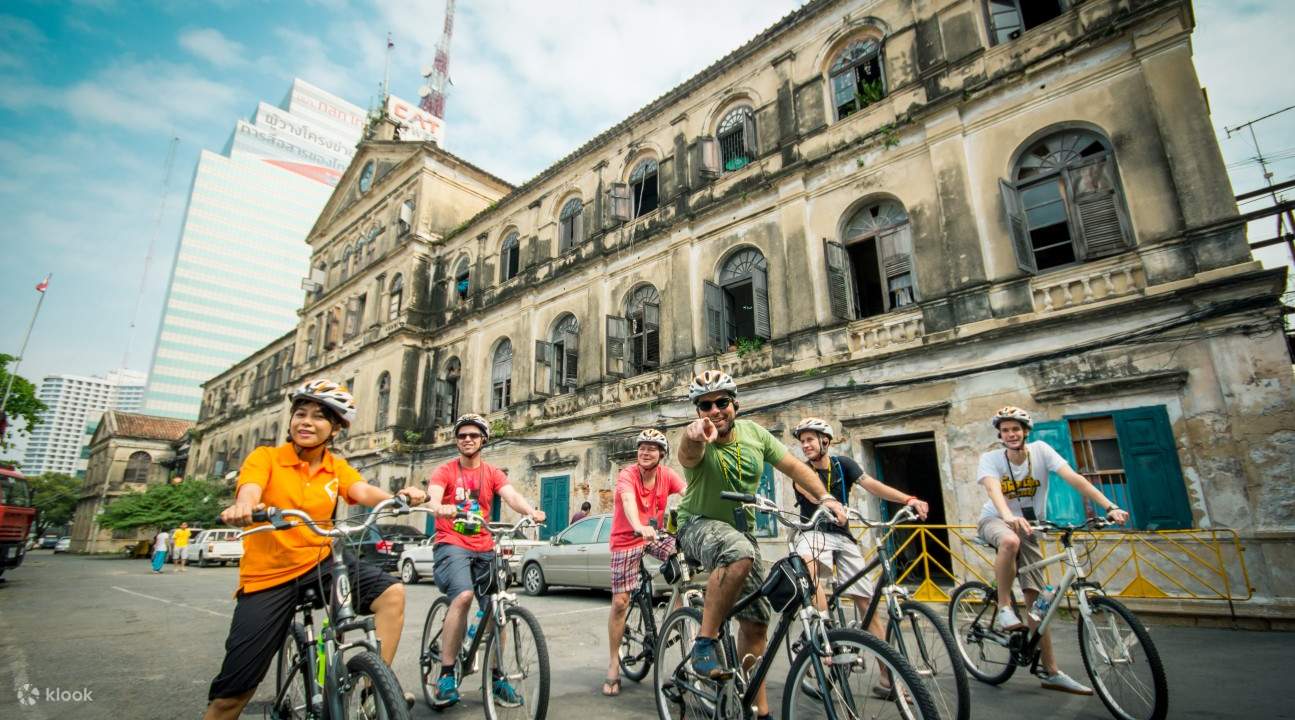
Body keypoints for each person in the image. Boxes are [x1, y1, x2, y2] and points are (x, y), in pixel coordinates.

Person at [203, 379, 429, 720]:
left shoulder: (335, 466)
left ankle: (374, 689)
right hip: (269, 579)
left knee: (392, 593)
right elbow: (250, 487)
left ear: (335, 429)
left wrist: (397, 499)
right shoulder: (266, 458)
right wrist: (245, 505)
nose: (306, 422)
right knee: (232, 695)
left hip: (320, 563)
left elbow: (361, 491)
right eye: (300, 414)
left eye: (319, 417)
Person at [676, 371, 846, 720]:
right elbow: (688, 453)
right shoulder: (699, 437)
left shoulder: (755, 434)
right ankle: (704, 643)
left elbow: (795, 467)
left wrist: (826, 497)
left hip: (742, 533)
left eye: (721, 402)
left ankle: (759, 710)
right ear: (698, 412)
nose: (714, 410)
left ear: (734, 405)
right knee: (737, 552)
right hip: (697, 524)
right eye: (705, 405)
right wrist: (693, 435)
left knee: (756, 623)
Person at [977, 406, 1130, 696]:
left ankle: (1051, 671)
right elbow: (993, 489)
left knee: (1039, 603)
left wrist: (1110, 506)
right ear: (1000, 435)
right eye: (1005, 430)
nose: (1011, 434)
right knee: (1009, 542)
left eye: (1015, 429)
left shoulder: (1041, 451)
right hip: (995, 520)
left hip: (1031, 527)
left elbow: (1074, 478)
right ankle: (1004, 607)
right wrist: (1007, 515)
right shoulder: (991, 459)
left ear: (1025, 431)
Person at [426, 413, 547, 709]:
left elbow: (511, 496)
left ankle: (496, 676)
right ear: (457, 441)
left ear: (483, 440)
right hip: (451, 544)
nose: (467, 439)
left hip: (484, 546)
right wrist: (439, 507)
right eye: (462, 435)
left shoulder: (492, 473)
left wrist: (530, 511)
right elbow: (433, 496)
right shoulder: (445, 470)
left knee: (497, 608)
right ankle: (446, 674)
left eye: (473, 435)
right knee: (463, 596)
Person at [603, 428, 686, 697]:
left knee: (685, 556)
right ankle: (614, 663)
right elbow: (627, 499)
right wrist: (638, 525)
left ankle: (677, 609)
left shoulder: (667, 475)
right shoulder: (627, 474)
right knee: (620, 602)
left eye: (652, 448)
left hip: (654, 535)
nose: (645, 452)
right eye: (642, 448)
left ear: (662, 454)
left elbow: (688, 493)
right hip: (626, 538)